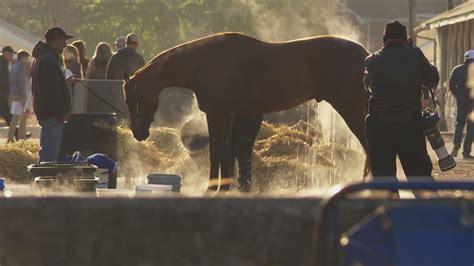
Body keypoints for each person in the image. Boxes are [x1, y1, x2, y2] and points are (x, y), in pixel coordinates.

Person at [364, 21, 440, 192]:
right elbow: (432, 79)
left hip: (379, 127)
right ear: (405, 39)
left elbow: (367, 86)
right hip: (409, 126)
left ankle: (389, 214)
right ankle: (430, 213)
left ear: (384, 40)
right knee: (419, 176)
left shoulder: (372, 60)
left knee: (383, 179)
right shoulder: (415, 55)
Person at [31, 27, 74, 162]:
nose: (65, 45)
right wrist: (61, 111)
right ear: (55, 40)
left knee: (47, 151)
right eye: (63, 40)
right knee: (49, 155)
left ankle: (41, 179)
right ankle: (44, 180)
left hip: (47, 111)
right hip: (52, 113)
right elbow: (51, 91)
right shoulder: (48, 60)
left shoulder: (42, 58)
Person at [449, 50, 474, 159]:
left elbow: (451, 85)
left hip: (461, 102)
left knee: (459, 124)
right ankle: (466, 152)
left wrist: (458, 95)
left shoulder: (457, 69)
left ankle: (456, 145)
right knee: (471, 127)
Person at [7, 50, 31, 142]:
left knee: (15, 116)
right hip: (18, 95)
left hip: (13, 93)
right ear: (23, 57)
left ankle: (11, 137)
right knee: (21, 117)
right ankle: (21, 137)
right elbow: (21, 83)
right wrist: (23, 97)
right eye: (27, 58)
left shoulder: (14, 66)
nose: (28, 60)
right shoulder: (21, 67)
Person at [0, 46, 15, 126]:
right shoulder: (2, 63)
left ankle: (16, 133)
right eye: (11, 54)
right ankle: (17, 133)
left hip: (3, 93)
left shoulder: (4, 62)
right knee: (7, 114)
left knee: (8, 114)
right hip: (1, 93)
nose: (12, 56)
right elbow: (3, 79)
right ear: (5, 53)